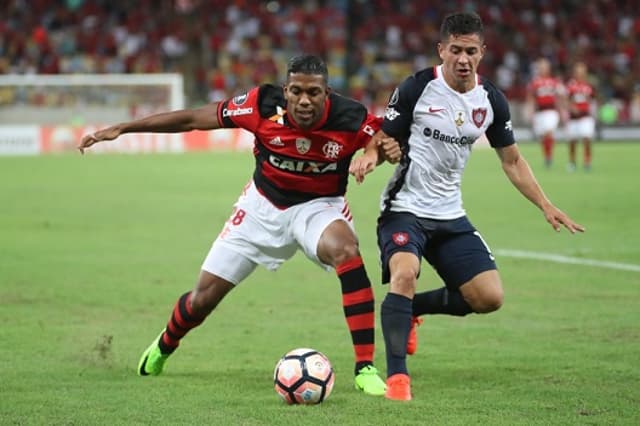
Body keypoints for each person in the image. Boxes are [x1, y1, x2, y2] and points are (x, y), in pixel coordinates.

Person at [78, 54, 402, 396]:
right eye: (296, 91)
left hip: (317, 207)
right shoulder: (260, 105)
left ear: (327, 93)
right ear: (285, 90)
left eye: (313, 93)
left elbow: (378, 136)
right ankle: (165, 344)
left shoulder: (348, 115)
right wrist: (124, 128)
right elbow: (191, 119)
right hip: (260, 207)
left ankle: (365, 367)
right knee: (202, 299)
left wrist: (372, 154)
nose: (304, 100)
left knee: (346, 251)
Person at [349, 12, 585, 401]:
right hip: (405, 207)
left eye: (470, 51)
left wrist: (545, 204)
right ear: (441, 50)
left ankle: (408, 310)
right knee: (404, 274)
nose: (463, 58)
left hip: (450, 214)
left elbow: (511, 160)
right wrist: (369, 159)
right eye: (455, 50)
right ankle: (397, 381)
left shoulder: (491, 100)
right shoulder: (416, 88)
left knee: (489, 298)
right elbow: (382, 138)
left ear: (482, 52)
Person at [526, 57, 566, 168]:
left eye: (545, 67)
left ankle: (549, 156)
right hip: (540, 112)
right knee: (543, 136)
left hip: (551, 111)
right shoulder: (534, 83)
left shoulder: (555, 82)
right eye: (541, 67)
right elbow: (531, 98)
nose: (543, 69)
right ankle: (547, 156)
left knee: (549, 132)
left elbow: (561, 97)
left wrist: (562, 111)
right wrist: (530, 111)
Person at [565, 61, 596, 171]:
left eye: (582, 71)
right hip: (574, 118)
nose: (580, 73)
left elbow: (593, 100)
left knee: (587, 138)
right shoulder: (571, 86)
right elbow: (566, 100)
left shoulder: (589, 85)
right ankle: (572, 161)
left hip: (586, 116)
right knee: (572, 141)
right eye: (578, 71)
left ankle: (587, 161)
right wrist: (572, 107)